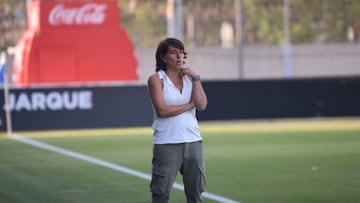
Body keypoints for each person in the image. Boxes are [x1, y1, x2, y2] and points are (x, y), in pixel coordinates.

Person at [147, 37, 208, 203]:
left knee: (195, 195)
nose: (179, 56)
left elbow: (201, 104)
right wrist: (189, 106)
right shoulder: (156, 80)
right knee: (161, 194)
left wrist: (195, 77)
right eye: (174, 52)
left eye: (181, 52)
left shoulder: (190, 79)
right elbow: (163, 111)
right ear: (163, 57)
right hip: (167, 143)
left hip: (193, 140)